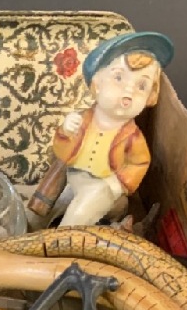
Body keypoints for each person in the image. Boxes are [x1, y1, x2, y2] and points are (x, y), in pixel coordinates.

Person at [50, 31, 174, 227]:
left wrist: (115, 184)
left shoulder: (132, 137)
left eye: (142, 86)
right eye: (118, 77)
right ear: (97, 83)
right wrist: (66, 131)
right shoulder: (82, 121)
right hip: (74, 179)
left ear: (150, 97)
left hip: (106, 190)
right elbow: (61, 152)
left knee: (85, 206)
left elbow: (139, 163)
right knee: (51, 206)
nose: (129, 90)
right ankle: (32, 230)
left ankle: (63, 239)